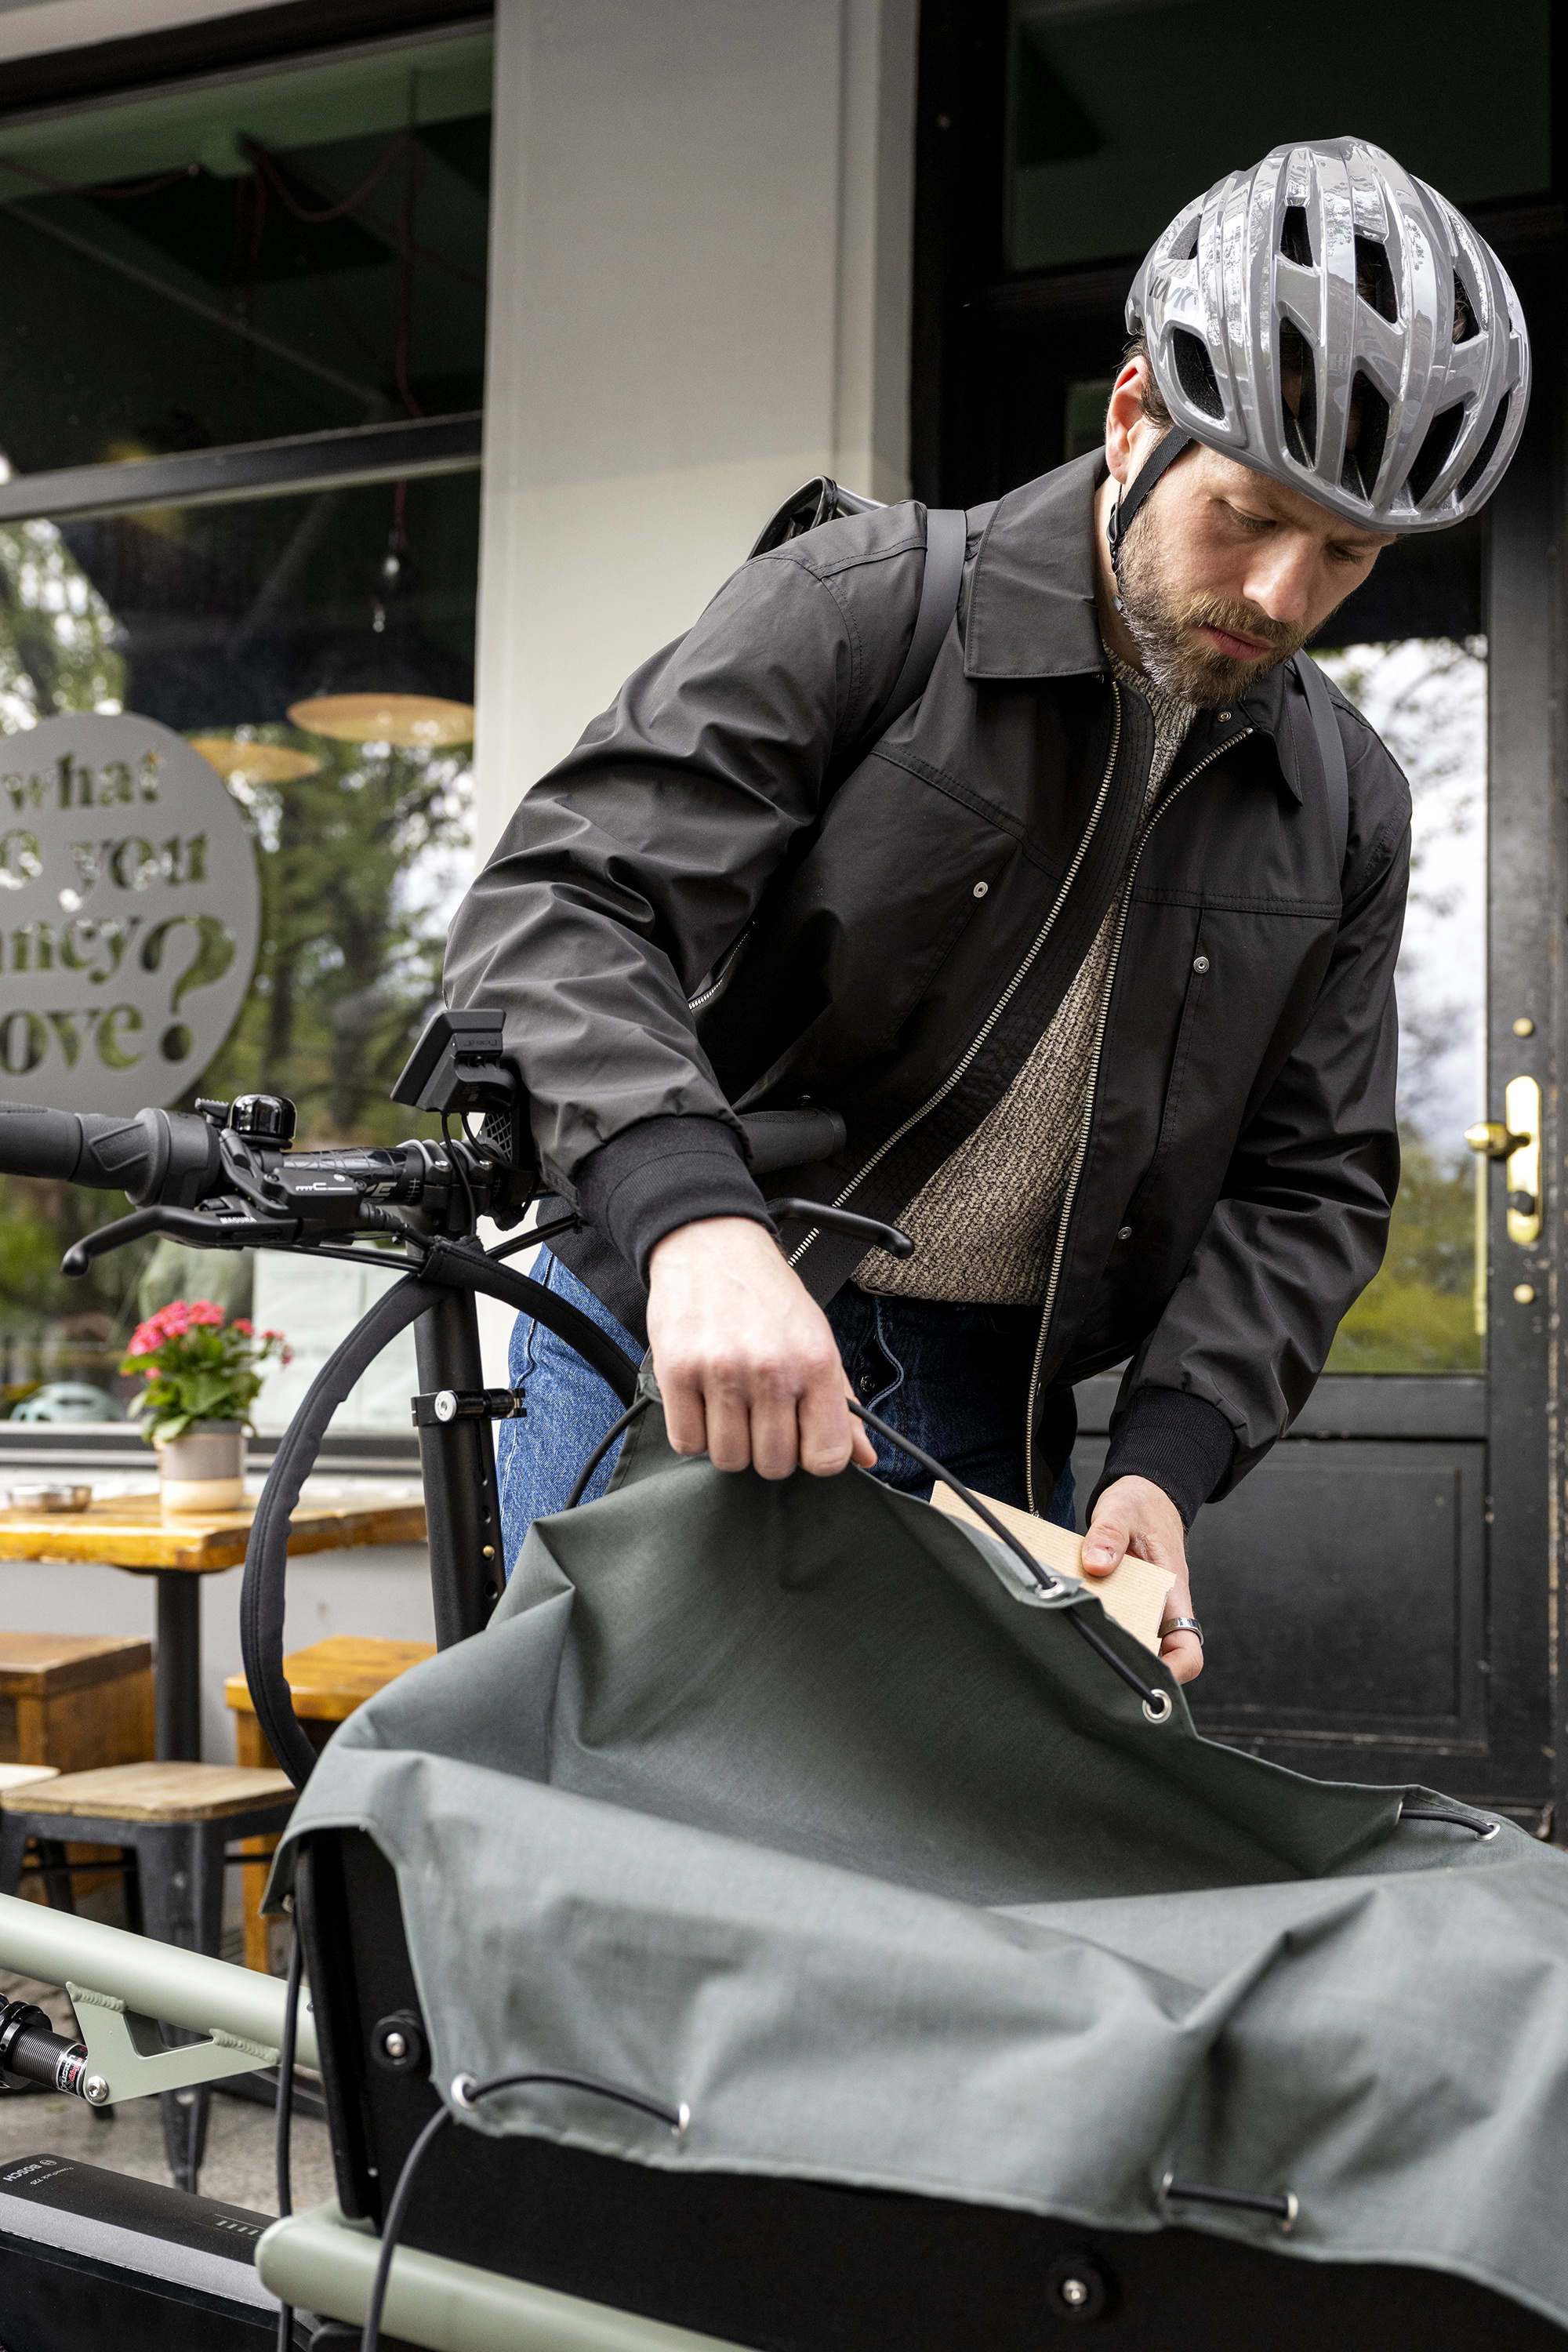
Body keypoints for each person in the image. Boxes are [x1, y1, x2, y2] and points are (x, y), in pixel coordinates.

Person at [445, 137, 1529, 1686]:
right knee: (609, 1809)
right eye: (1245, 516)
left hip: (982, 1388)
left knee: (930, 1856)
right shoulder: (857, 605)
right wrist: (694, 1223)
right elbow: (568, 907)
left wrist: (1165, 1454)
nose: (1283, 596)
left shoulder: (1348, 800)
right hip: (680, 1320)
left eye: (1347, 555)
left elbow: (1309, 1186)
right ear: (1133, 416)